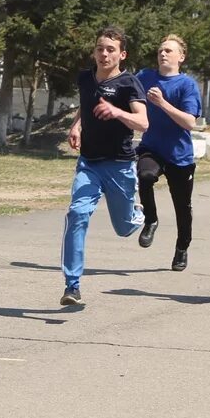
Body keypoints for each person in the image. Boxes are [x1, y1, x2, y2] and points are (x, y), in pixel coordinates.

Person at [59, 26, 148, 306]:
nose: (104, 54)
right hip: (89, 163)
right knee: (77, 214)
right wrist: (76, 126)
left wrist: (117, 111)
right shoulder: (85, 78)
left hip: (120, 166)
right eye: (100, 48)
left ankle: (139, 214)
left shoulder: (129, 83)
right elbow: (86, 106)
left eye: (111, 49)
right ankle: (72, 285)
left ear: (122, 54)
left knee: (123, 229)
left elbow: (143, 123)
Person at [134, 34, 201, 272]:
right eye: (160, 50)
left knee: (182, 207)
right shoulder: (145, 77)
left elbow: (189, 122)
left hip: (179, 156)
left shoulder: (187, 85)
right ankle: (150, 219)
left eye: (169, 51)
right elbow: (126, 91)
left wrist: (162, 103)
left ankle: (182, 248)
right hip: (152, 148)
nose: (163, 54)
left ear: (181, 57)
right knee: (145, 176)